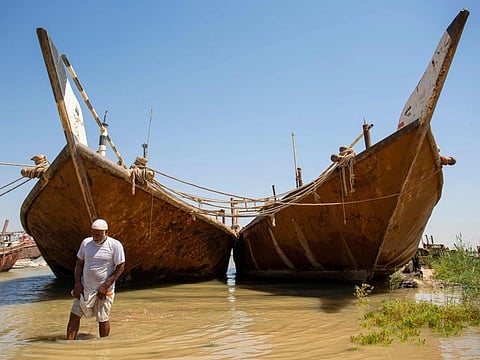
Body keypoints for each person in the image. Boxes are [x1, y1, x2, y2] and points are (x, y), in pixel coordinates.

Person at [66, 219, 125, 340]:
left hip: (104, 289)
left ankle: (104, 347)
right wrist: (77, 284)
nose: (95, 236)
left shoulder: (115, 245)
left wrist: (106, 285)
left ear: (106, 232)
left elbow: (120, 267)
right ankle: (69, 345)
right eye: (93, 233)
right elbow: (79, 263)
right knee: (74, 316)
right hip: (85, 288)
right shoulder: (86, 243)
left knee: (103, 319)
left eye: (98, 234)